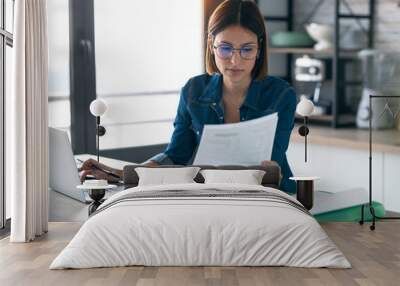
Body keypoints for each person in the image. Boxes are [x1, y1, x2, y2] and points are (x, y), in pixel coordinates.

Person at [80, 0, 297, 193]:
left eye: (247, 50)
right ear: (211, 44)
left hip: (270, 195)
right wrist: (118, 174)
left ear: (259, 49)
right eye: (225, 48)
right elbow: (175, 155)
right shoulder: (194, 90)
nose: (235, 60)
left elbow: (273, 164)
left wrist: (270, 170)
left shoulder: (281, 95)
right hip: (209, 196)